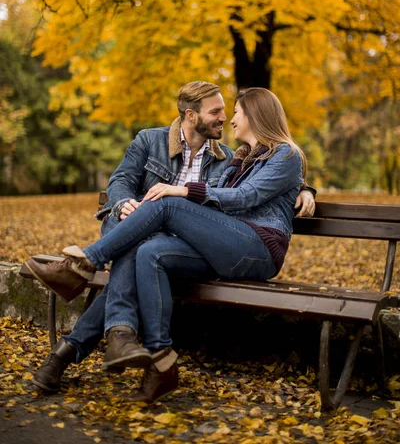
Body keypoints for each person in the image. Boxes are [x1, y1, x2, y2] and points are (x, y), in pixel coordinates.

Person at [26, 87, 312, 402]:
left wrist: (182, 191)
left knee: (166, 203)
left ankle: (81, 269)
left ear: (256, 116)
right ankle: (161, 362)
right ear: (191, 114)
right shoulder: (236, 158)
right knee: (148, 251)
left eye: (235, 113)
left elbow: (251, 194)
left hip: (256, 247)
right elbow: (121, 183)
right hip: (204, 241)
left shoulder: (266, 154)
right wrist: (126, 205)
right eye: (218, 112)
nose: (228, 119)